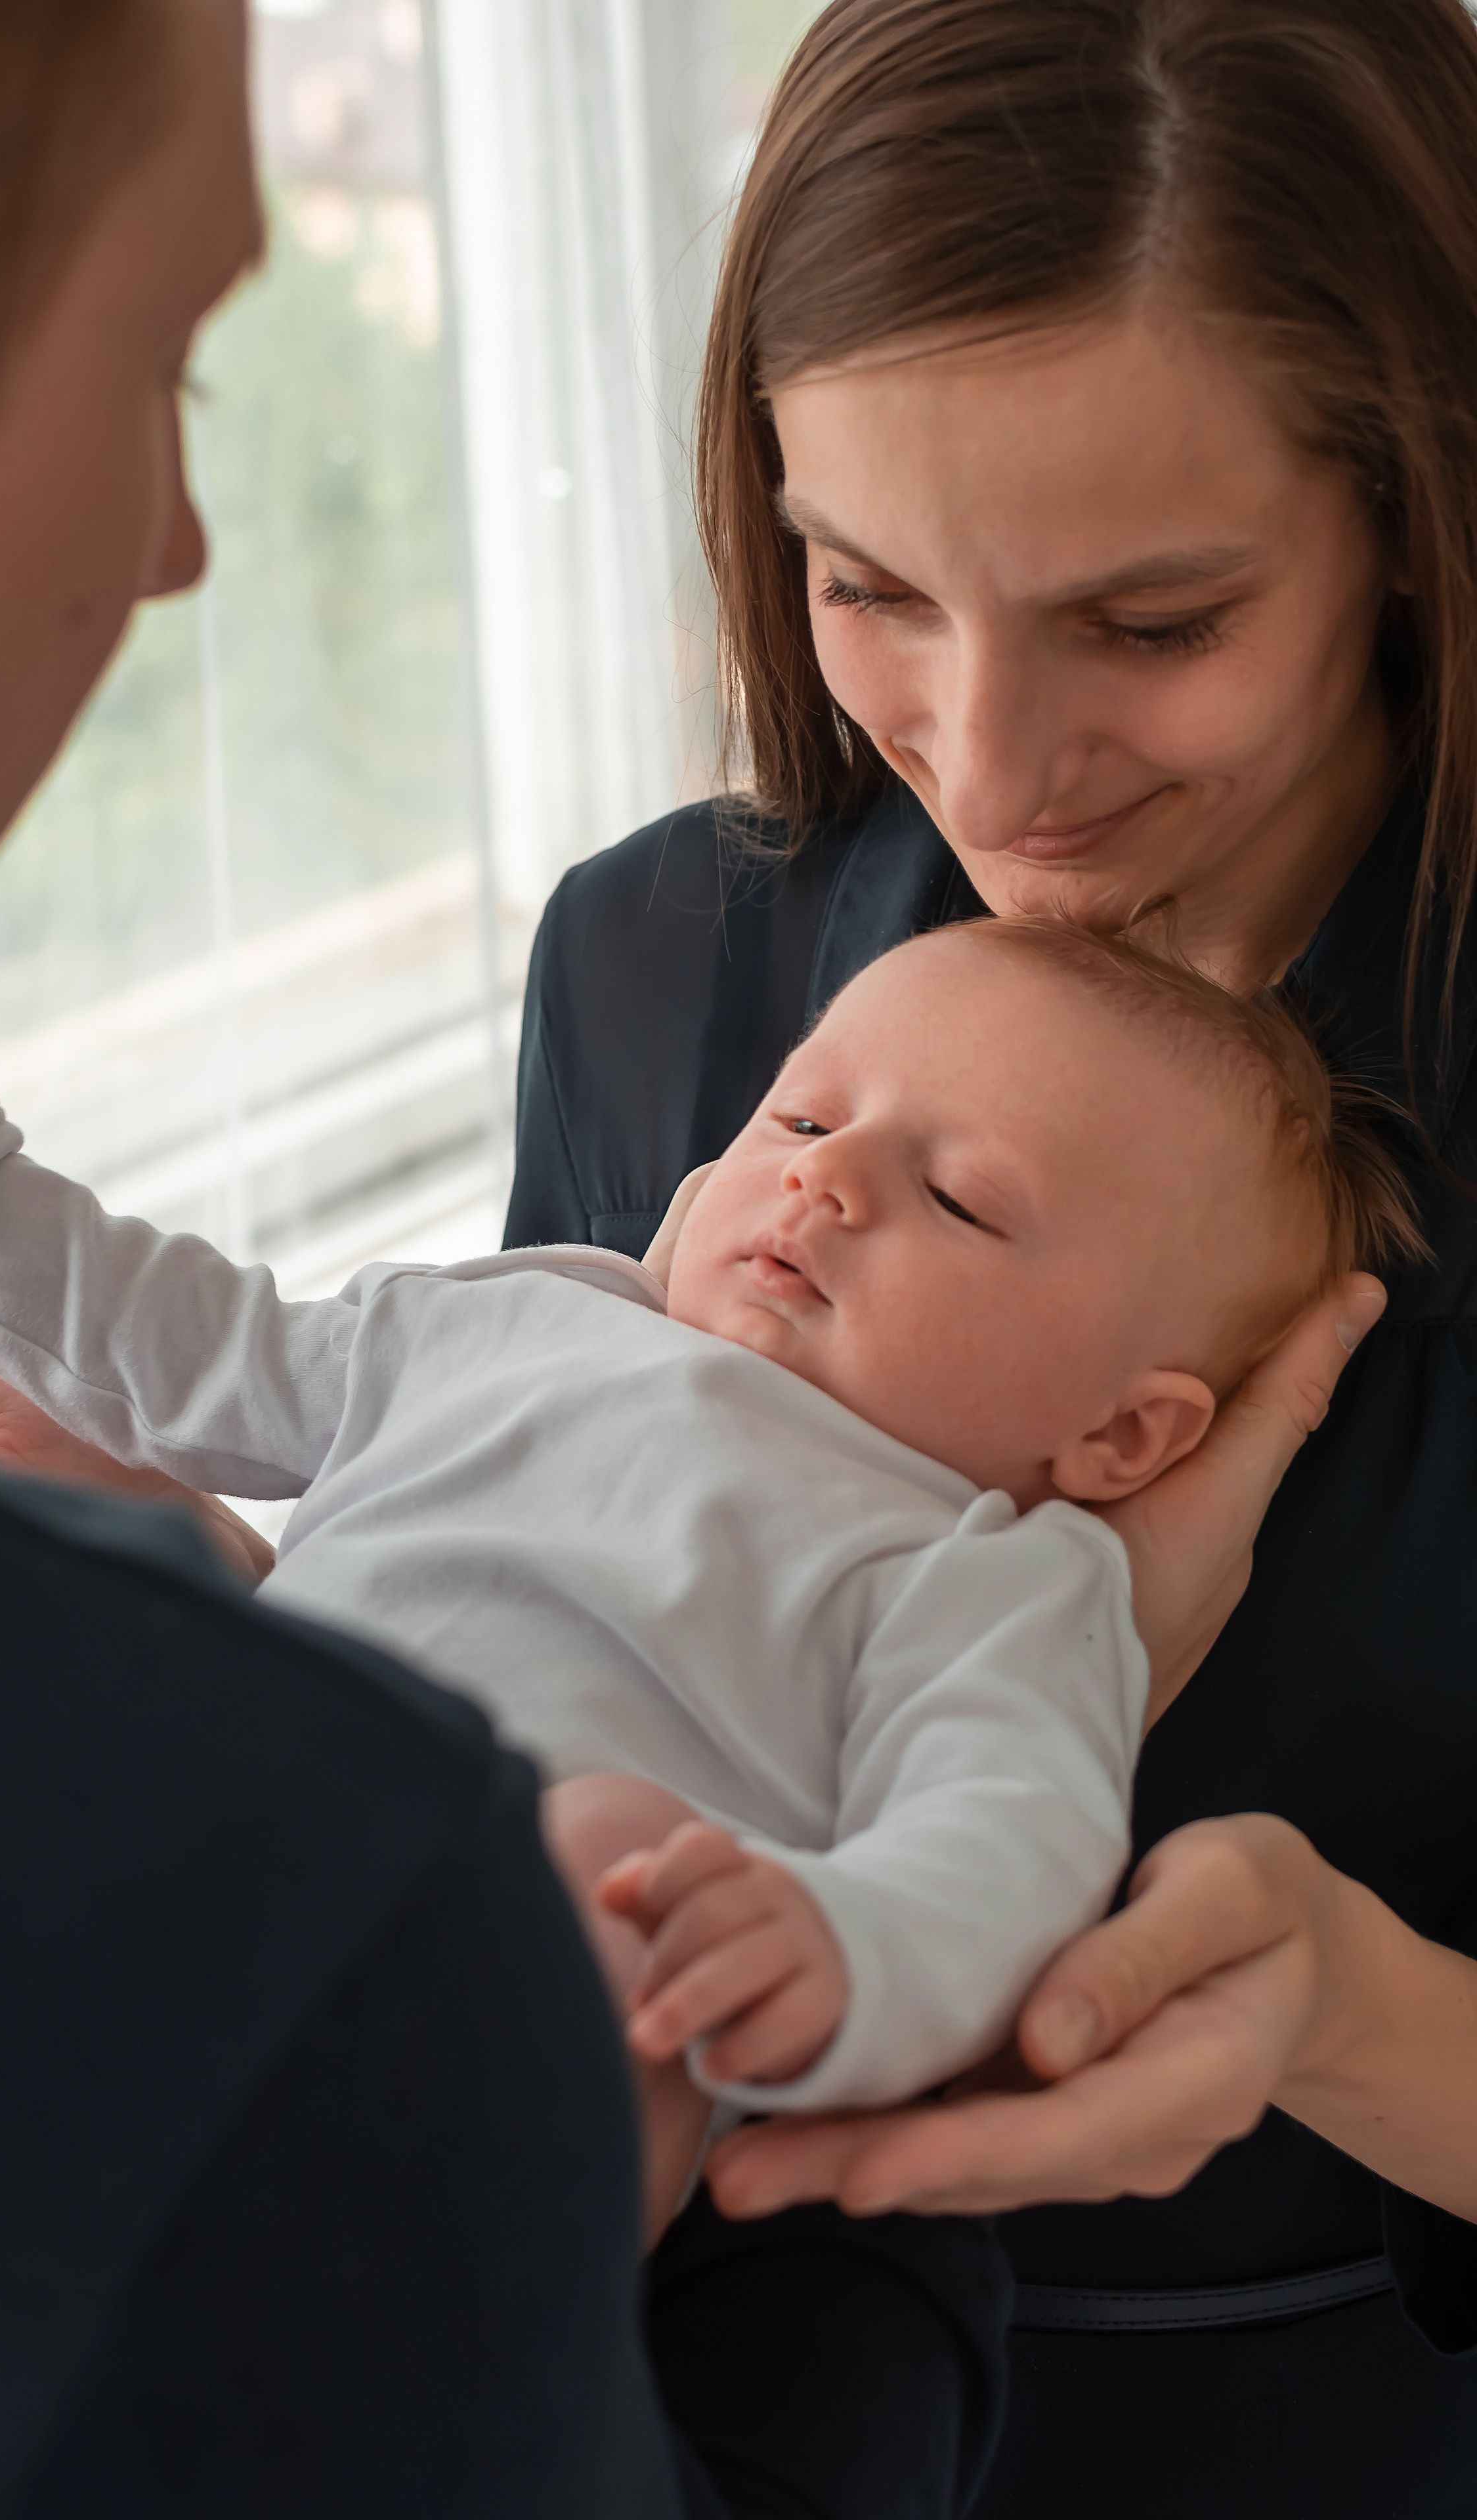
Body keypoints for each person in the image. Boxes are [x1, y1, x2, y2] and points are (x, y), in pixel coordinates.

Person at [0, 1, 1023, 2511]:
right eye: (171, 373)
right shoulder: (652, 1033)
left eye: (1157, 617)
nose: (181, 550)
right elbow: (240, 1351)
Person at [503, 0, 1477, 2511]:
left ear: (1416, 497)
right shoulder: (648, 975)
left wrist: (1337, 2012)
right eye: (867, 585)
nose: (993, 759)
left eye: (1152, 623)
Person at [0, 922, 1413, 2249]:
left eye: (961, 1199)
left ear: (1122, 1436)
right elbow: (196, 1351)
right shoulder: (532, 1315)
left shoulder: (985, 1575)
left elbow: (1006, 1839)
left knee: (619, 1874)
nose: (825, 1180)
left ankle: (411, 2318)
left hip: (488, 2012)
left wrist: (839, 1947)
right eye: (799, 1119)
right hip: (225, 1815)